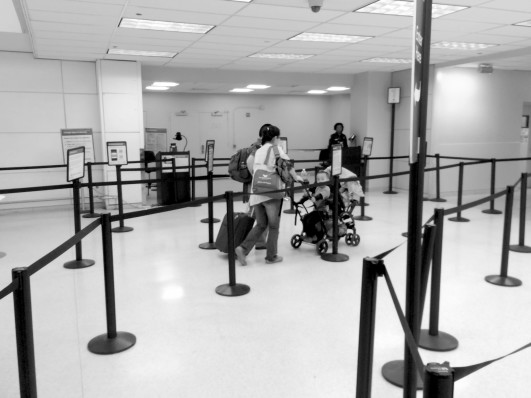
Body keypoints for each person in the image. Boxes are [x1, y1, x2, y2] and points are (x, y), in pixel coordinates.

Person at [235, 125, 304, 265]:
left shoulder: (258, 150)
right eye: (278, 137)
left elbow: (250, 163)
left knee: (260, 224)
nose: (278, 140)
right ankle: (271, 257)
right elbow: (288, 166)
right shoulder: (276, 149)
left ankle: (242, 249)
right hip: (271, 193)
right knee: (273, 226)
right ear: (274, 138)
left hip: (256, 192)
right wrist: (297, 178)